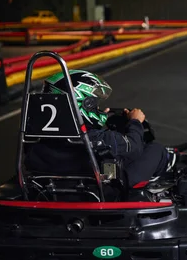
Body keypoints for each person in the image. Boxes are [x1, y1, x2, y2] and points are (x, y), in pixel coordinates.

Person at [24, 70, 176, 187]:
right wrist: (135, 122)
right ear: (83, 103)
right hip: (99, 191)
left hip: (46, 187)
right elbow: (133, 147)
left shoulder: (32, 135)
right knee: (155, 149)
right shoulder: (98, 138)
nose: (97, 108)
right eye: (94, 104)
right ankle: (169, 163)